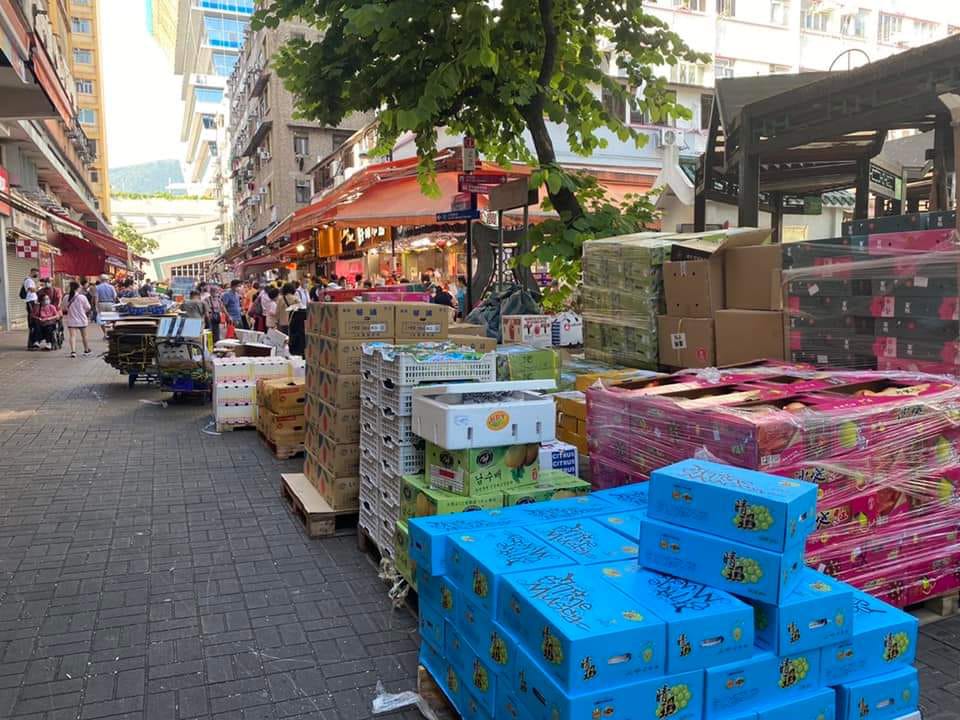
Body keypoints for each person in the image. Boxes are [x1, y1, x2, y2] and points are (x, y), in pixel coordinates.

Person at [61, 281, 92, 358]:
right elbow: (88, 307)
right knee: (84, 336)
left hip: (71, 319)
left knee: (72, 336)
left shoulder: (66, 297)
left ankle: (73, 352)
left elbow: (64, 308)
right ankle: (86, 350)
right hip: (82, 319)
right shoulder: (82, 297)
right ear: (78, 288)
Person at [22, 268, 39, 349]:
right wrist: (38, 288)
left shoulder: (30, 280)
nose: (37, 274)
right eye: (36, 273)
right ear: (32, 272)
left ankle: (33, 341)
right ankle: (31, 343)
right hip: (30, 301)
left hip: (33, 301)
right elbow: (31, 290)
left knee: (34, 321)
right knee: (32, 320)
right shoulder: (28, 280)